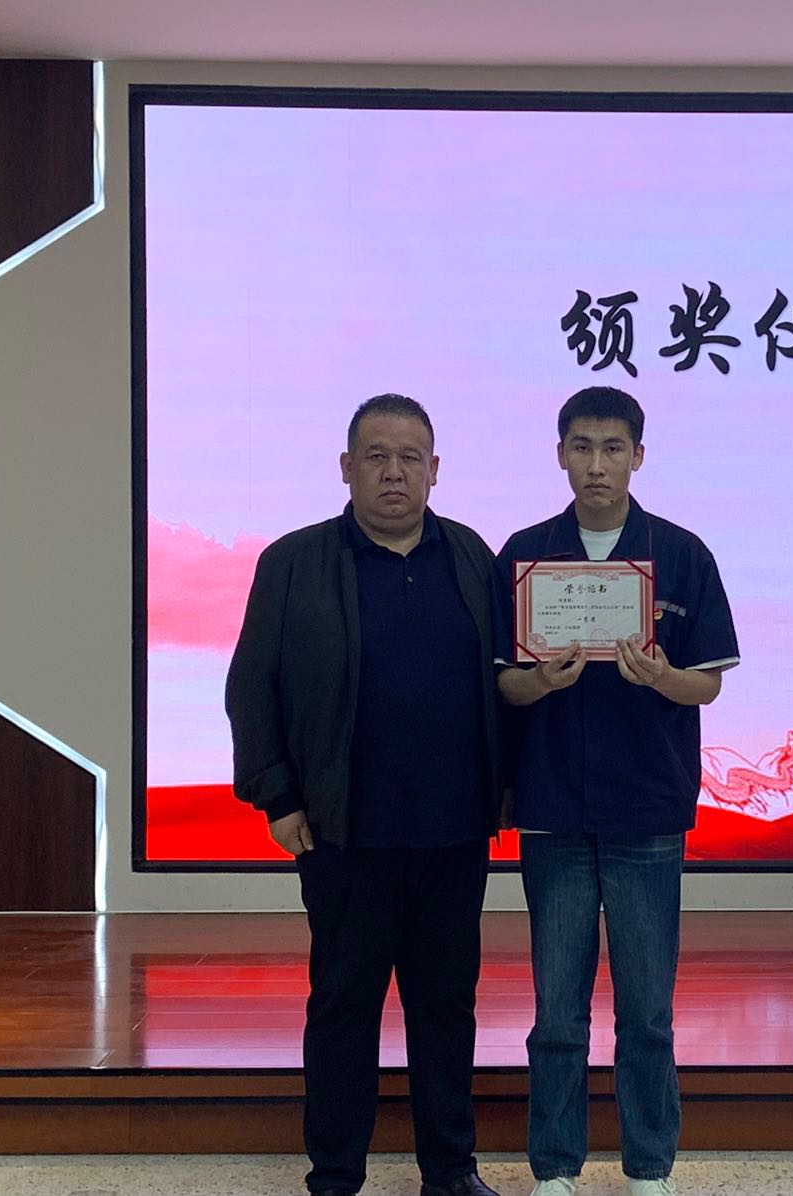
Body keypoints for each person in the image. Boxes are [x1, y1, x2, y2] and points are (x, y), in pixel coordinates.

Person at [228, 393, 506, 1196]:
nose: (394, 473)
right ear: (346, 468)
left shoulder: (471, 556)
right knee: (344, 1008)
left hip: (454, 833)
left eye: (410, 458)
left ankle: (450, 1172)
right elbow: (252, 688)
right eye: (376, 457)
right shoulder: (294, 563)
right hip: (344, 833)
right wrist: (278, 798)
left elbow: (503, 681)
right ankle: (336, 1174)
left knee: (446, 1010)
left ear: (435, 470)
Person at [494, 386, 740, 1196]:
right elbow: (503, 683)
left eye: (611, 448)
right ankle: (555, 1167)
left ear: (638, 456)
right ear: (560, 455)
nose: (596, 464)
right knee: (557, 1011)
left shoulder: (683, 554)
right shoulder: (524, 556)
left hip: (646, 810)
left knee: (646, 1011)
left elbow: (706, 683)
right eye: (581, 447)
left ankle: (649, 1167)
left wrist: (663, 676)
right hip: (553, 809)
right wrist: (540, 681)